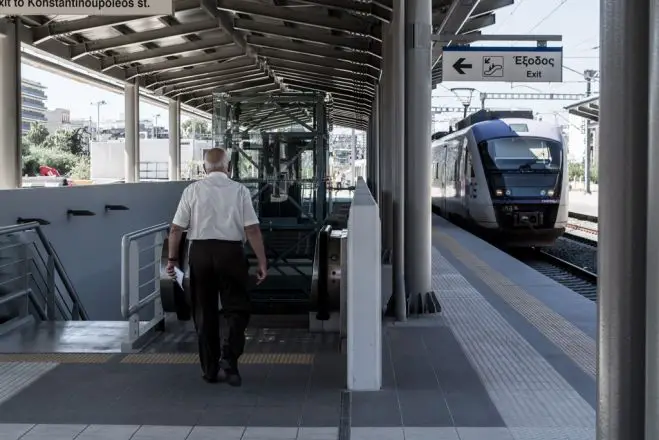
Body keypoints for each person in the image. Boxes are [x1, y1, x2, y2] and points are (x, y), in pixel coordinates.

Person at [166, 148, 267, 386]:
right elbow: (251, 229)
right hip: (231, 253)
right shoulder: (239, 190)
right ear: (229, 167)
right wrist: (262, 261)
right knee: (237, 307)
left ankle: (210, 370)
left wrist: (172, 260)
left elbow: (176, 229)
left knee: (204, 311)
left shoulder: (192, 190)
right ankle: (230, 360)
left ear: (204, 169)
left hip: (199, 253)